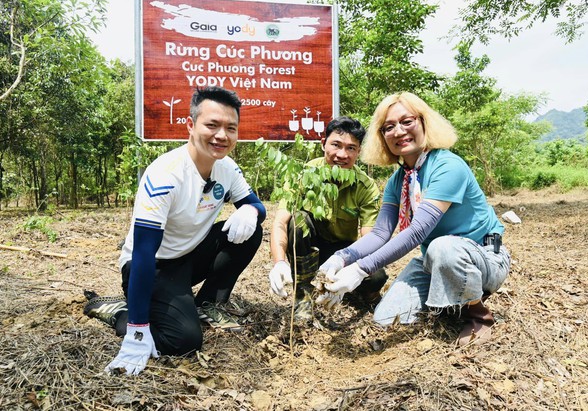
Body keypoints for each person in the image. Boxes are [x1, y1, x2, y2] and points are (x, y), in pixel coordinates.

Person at [83, 86, 266, 375]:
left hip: (189, 255)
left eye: (231, 128)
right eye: (212, 125)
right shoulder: (165, 175)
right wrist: (138, 331)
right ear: (191, 126)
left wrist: (252, 210)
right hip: (151, 266)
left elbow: (257, 205)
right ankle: (122, 312)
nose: (222, 135)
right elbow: (143, 253)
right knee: (184, 341)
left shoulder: (227, 168)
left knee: (250, 230)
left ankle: (207, 304)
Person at [315, 92, 510, 346]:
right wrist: (341, 258)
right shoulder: (399, 180)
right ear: (382, 137)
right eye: (389, 127)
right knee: (386, 318)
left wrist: (362, 269)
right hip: (433, 261)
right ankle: (449, 297)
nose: (398, 132)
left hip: (483, 256)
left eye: (407, 122)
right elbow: (379, 234)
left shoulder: (447, 166)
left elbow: (418, 231)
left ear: (424, 123)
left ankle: (478, 315)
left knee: (443, 247)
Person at [268, 116, 388, 320]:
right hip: (308, 250)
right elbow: (280, 222)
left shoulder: (365, 186)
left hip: (345, 253)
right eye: (336, 145)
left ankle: (363, 295)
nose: (342, 154)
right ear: (323, 144)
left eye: (351, 148)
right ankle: (303, 294)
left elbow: (370, 238)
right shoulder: (303, 175)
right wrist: (279, 262)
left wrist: (353, 268)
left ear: (358, 152)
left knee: (377, 276)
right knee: (298, 221)